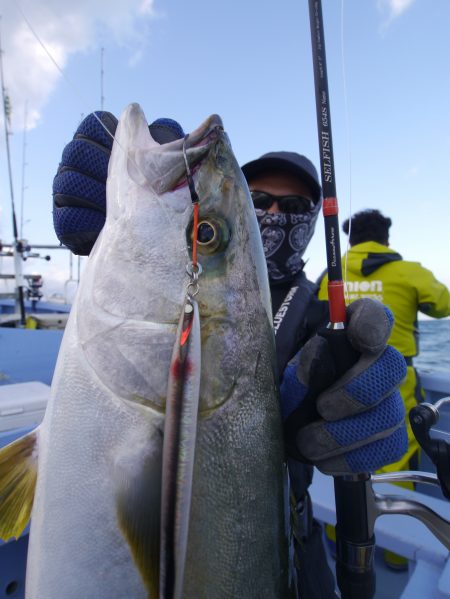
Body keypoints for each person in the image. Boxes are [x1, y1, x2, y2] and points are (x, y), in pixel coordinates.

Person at [52, 112, 408, 598]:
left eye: (295, 205)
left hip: (283, 549)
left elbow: (338, 373)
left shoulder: (323, 320)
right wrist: (112, 237)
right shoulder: (191, 274)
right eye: (258, 201)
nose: (277, 215)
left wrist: (363, 402)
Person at [318, 208, 450, 569]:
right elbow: (443, 305)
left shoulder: (332, 272)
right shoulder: (409, 271)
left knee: (343, 456)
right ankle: (396, 555)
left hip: (337, 383)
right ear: (386, 238)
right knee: (396, 455)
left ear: (350, 238)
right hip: (395, 379)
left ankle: (335, 539)